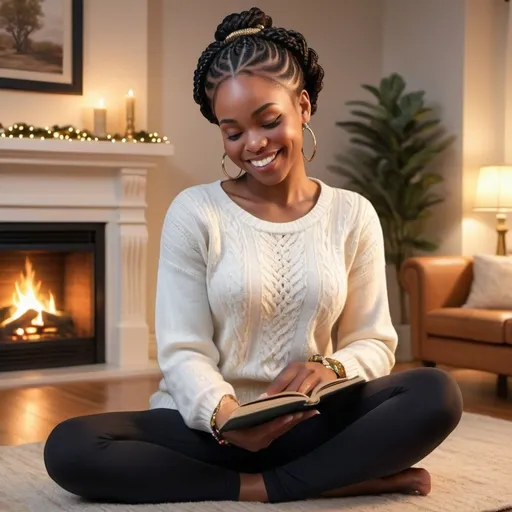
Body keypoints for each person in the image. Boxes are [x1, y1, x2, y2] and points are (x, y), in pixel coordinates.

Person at [43, 7, 463, 505]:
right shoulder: (195, 212)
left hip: (313, 423)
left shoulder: (352, 214)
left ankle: (270, 486)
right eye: (233, 131)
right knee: (69, 447)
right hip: (213, 431)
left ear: (303, 106)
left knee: (435, 394)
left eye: (268, 120)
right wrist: (223, 414)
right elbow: (182, 350)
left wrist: (332, 367)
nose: (254, 145)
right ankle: (315, 481)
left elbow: (373, 342)